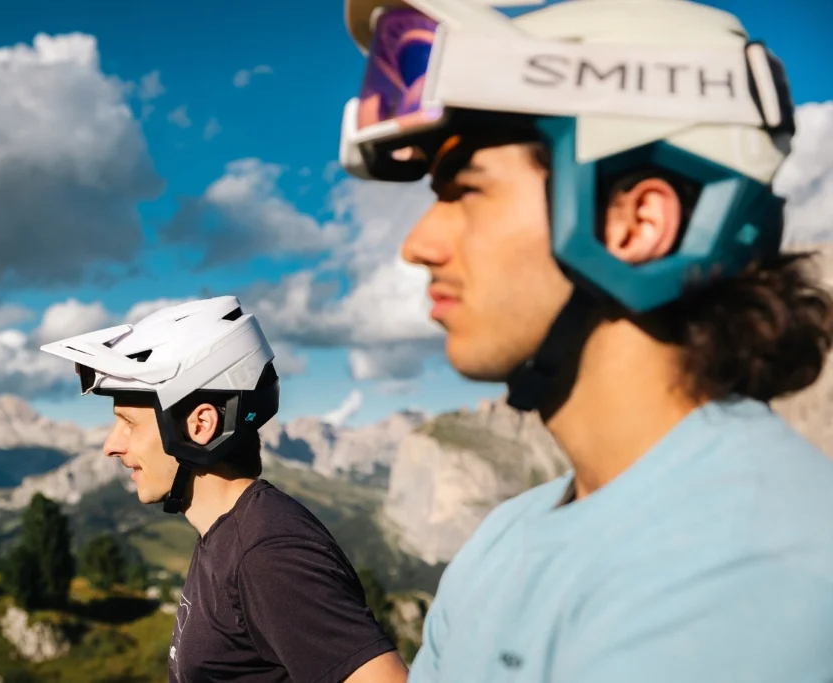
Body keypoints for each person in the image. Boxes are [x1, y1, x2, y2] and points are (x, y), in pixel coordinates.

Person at [336, 0, 833, 681]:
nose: (417, 244)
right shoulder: (503, 540)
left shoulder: (757, 572)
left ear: (637, 221)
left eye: (466, 190)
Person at [40, 296, 408, 683]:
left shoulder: (268, 554)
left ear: (200, 425)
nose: (110, 445)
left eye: (129, 423)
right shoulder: (228, 534)